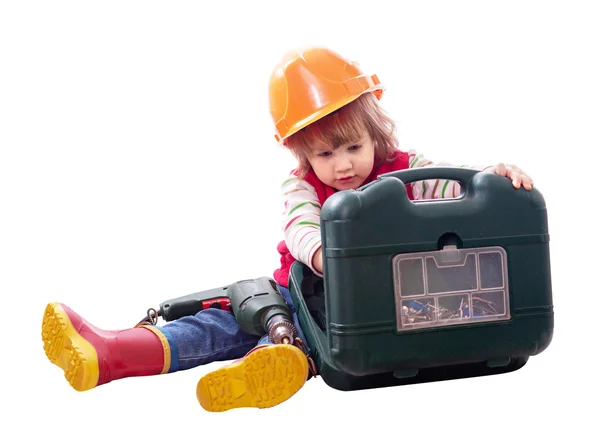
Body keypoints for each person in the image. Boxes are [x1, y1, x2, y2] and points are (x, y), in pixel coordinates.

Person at [41, 46, 534, 412]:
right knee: (228, 320)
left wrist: (493, 178)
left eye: (352, 147)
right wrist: (324, 253)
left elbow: (455, 188)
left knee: (282, 333)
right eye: (324, 154)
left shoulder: (409, 168)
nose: (341, 166)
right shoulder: (300, 187)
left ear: (376, 135)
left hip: (385, 311)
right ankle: (111, 354)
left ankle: (275, 364)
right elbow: (300, 228)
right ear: (301, 154)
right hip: (307, 293)